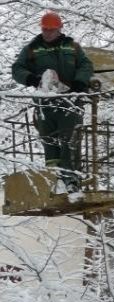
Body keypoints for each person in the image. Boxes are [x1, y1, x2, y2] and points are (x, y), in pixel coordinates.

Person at [12, 11, 93, 193]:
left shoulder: (72, 47)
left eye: (51, 30)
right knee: (49, 141)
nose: (47, 33)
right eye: (45, 29)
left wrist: (81, 81)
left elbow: (86, 65)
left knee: (68, 139)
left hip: (69, 101)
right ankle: (54, 178)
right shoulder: (32, 49)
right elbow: (17, 68)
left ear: (59, 29)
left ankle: (70, 179)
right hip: (45, 103)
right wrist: (30, 79)